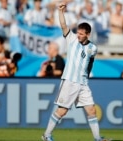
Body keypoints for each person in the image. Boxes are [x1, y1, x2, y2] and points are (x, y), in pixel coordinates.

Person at [41, 2, 108, 141]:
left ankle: (97, 139)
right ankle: (46, 135)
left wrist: (87, 76)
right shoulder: (71, 39)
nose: (78, 35)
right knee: (62, 111)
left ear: (88, 34)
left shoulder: (93, 48)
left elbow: (90, 63)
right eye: (78, 32)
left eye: (81, 34)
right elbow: (64, 26)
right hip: (70, 81)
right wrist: (60, 12)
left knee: (91, 110)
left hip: (83, 83)